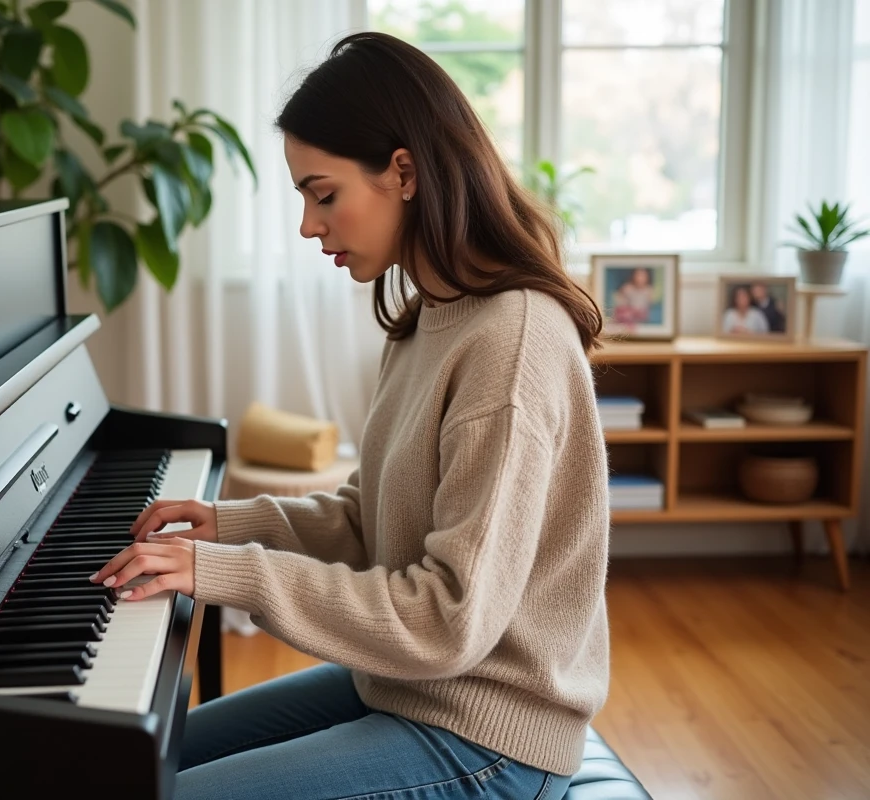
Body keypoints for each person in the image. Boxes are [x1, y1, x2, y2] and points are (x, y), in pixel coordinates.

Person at [90, 31, 610, 800]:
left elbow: (446, 618)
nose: (308, 225)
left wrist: (225, 573)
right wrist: (229, 526)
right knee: (128, 766)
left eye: (322, 193)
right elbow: (370, 520)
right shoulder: (428, 320)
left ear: (403, 172)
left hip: (488, 733)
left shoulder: (511, 343)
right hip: (406, 689)